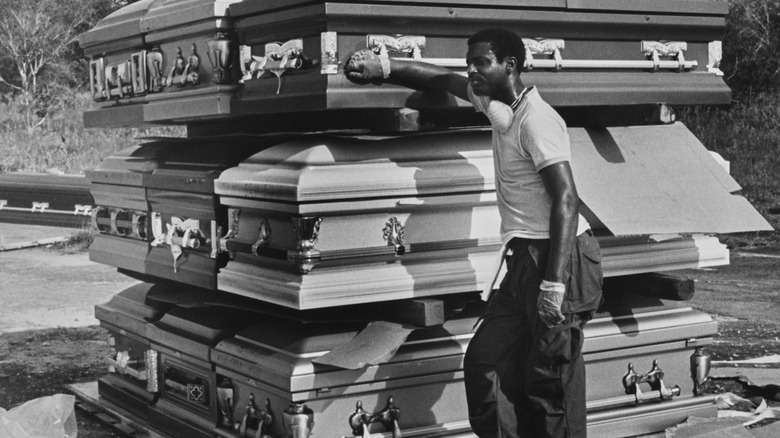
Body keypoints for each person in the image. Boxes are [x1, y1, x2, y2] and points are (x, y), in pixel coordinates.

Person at [344, 28, 603, 438]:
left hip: (560, 256)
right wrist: (385, 67)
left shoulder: (537, 121)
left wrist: (554, 283)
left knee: (549, 384)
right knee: (487, 365)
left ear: (510, 66)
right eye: (470, 62)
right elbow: (442, 80)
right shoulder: (499, 106)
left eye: (481, 63)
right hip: (522, 258)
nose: (471, 70)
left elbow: (567, 200)